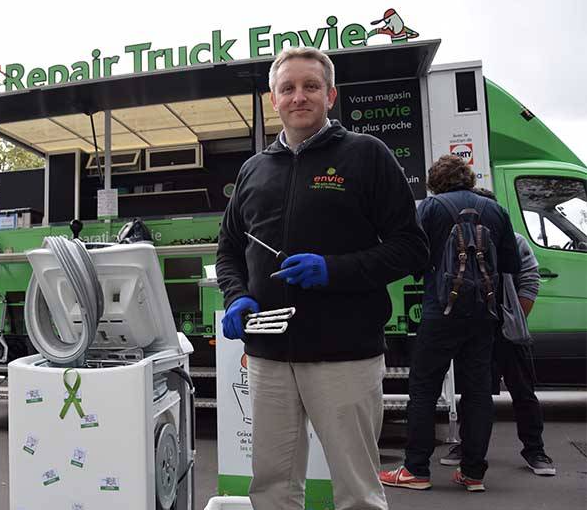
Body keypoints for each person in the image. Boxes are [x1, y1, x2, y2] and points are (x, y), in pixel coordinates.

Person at [216, 46, 428, 510]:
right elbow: (230, 248)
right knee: (271, 487)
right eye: (287, 88)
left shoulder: (367, 155)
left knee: (356, 490)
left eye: (310, 86)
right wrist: (237, 296)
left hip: (344, 355)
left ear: (330, 95)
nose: (298, 97)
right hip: (269, 356)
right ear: (273, 99)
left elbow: (411, 248)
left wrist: (333, 270)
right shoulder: (254, 169)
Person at [380, 156, 520, 493]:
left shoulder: (430, 208)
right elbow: (510, 264)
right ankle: (473, 473)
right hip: (484, 314)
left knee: (424, 389)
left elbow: (411, 256)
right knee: (477, 393)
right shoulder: (495, 211)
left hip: (439, 311)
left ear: (434, 181)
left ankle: (416, 470)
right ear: (469, 179)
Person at [438, 188, 556, 476]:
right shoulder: (459, 242)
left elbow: (529, 280)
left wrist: (513, 319)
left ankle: (535, 451)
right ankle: (467, 448)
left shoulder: (514, 242)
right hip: (475, 330)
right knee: (474, 393)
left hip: (507, 332)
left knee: (523, 393)